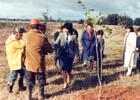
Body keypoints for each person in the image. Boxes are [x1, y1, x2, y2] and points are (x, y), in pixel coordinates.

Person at [23, 18, 53, 100]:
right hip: (39, 64)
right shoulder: (42, 37)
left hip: (28, 64)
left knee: (29, 82)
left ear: (31, 26)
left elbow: (22, 48)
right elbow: (50, 50)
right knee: (41, 81)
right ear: (39, 26)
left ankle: (28, 97)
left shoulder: (25, 36)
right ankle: (41, 96)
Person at [54, 24, 79, 90]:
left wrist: (77, 55)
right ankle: (65, 82)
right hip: (62, 54)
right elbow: (56, 43)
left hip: (70, 55)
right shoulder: (61, 35)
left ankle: (69, 77)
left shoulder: (74, 36)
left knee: (68, 69)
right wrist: (56, 46)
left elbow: (76, 47)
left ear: (69, 29)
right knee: (63, 68)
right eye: (64, 28)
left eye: (67, 29)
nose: (65, 30)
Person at [6, 27, 26, 93]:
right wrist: (25, 38)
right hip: (14, 62)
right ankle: (9, 89)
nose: (22, 37)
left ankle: (21, 87)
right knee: (13, 76)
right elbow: (23, 44)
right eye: (21, 35)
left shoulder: (15, 39)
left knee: (22, 74)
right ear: (16, 34)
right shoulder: (11, 41)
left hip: (18, 61)